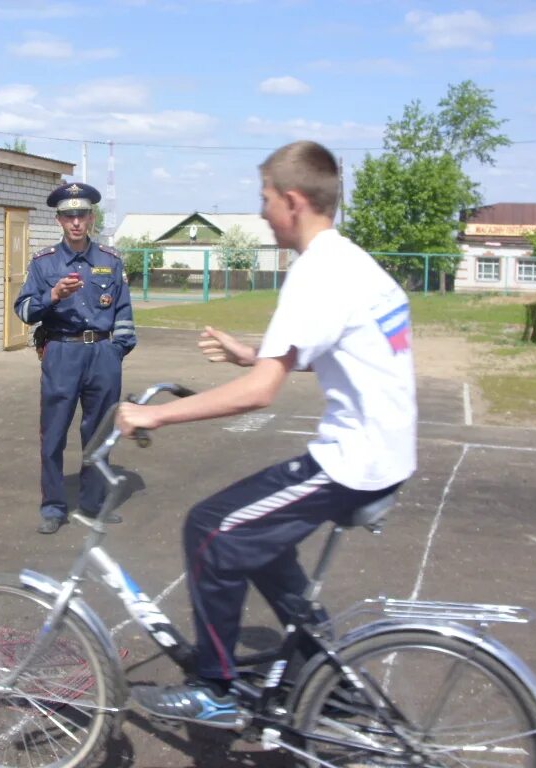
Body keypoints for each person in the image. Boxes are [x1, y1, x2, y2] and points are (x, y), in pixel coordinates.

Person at [116, 141, 417, 724]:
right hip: (384, 451)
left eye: (265, 199)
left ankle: (216, 687)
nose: (260, 212)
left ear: (294, 201)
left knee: (211, 529)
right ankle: (326, 675)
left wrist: (154, 414)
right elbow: (328, 346)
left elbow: (260, 393)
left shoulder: (317, 274)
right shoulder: (351, 261)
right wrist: (253, 354)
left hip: (354, 462)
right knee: (259, 539)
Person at [15, 182, 137, 534]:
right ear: (59, 220)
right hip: (62, 352)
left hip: (102, 354)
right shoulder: (44, 263)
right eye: (69, 216)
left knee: (99, 433)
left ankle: (93, 502)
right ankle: (53, 507)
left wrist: (116, 351)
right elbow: (23, 310)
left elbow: (124, 312)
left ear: (91, 217)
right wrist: (52, 295)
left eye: (81, 214)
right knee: (53, 434)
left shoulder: (110, 261)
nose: (76, 222)